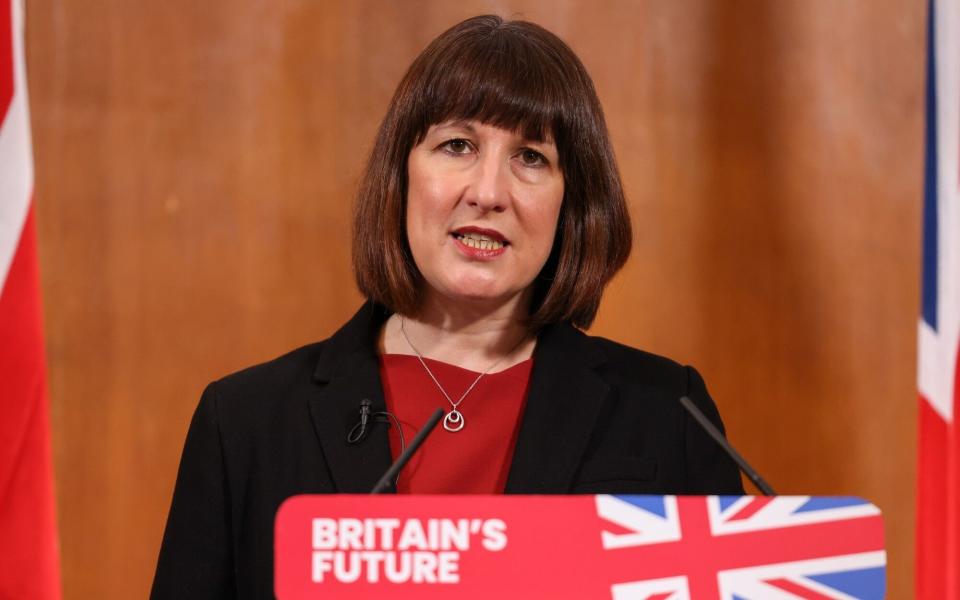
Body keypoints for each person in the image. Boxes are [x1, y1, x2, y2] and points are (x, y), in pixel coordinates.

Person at [151, 14, 743, 600]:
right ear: (402, 175)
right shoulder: (246, 422)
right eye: (457, 145)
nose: (487, 192)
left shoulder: (670, 414)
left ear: (574, 202)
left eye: (531, 157)